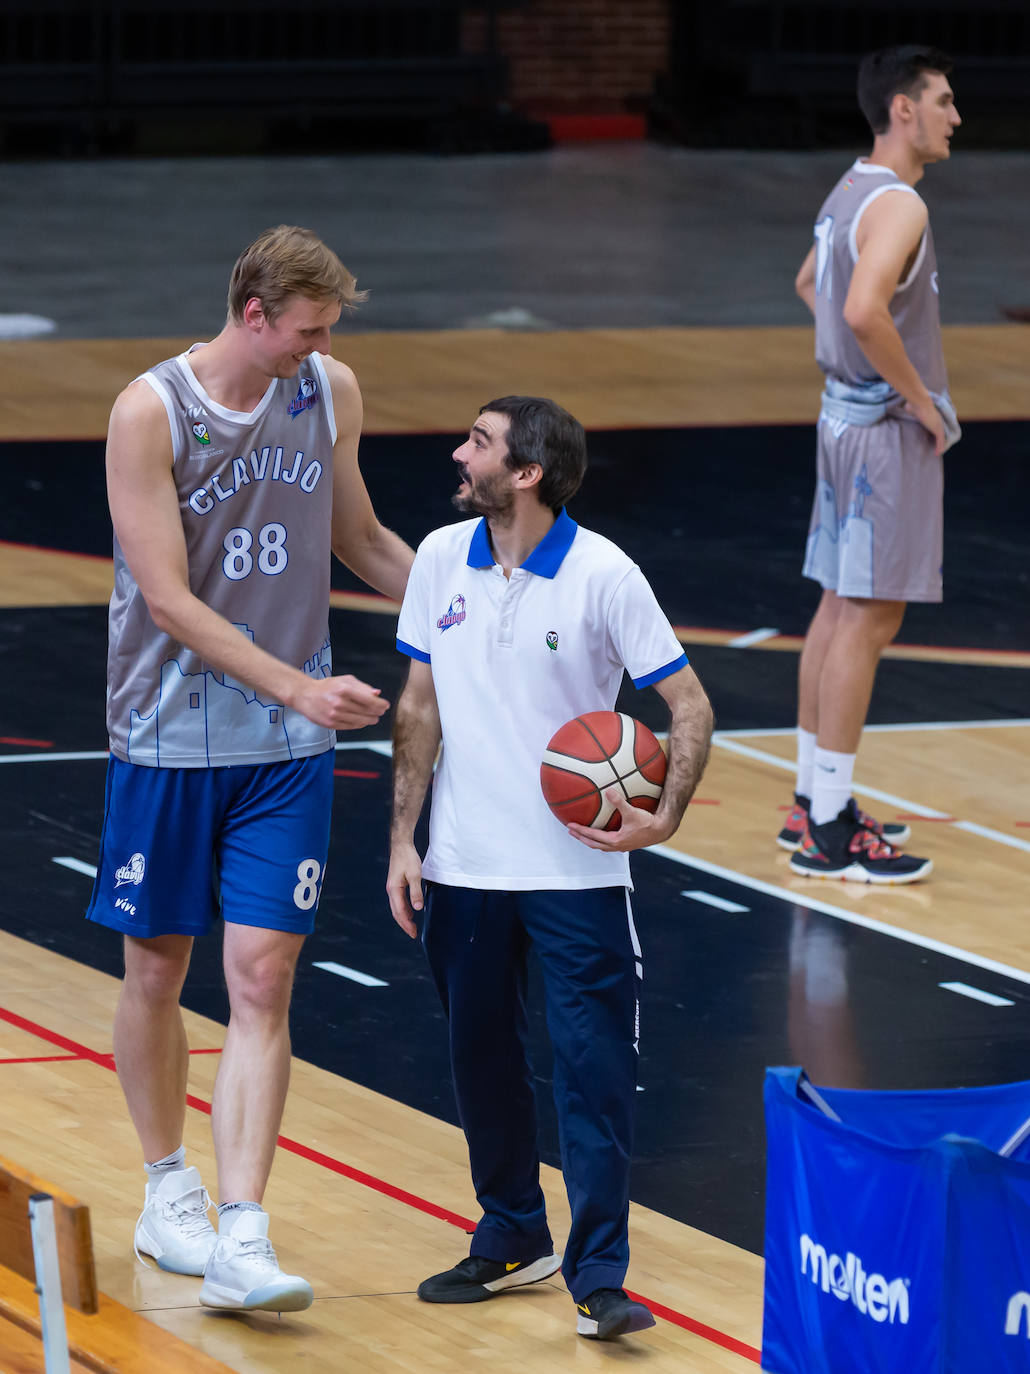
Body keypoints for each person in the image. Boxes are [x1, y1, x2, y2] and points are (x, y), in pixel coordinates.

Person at [86, 225, 413, 1312]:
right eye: (305, 330)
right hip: (170, 734)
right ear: (254, 312)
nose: (317, 349)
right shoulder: (150, 412)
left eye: (329, 332)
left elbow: (360, 539)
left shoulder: (327, 390)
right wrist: (295, 686)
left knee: (262, 977)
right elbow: (169, 601)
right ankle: (166, 1187)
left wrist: (476, 612)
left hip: (286, 748)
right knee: (156, 972)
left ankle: (244, 1230)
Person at [386, 396, 713, 1341]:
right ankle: (511, 1232)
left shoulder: (606, 574)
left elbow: (688, 707)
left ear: (526, 473)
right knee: (481, 1061)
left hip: (578, 881)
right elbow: (418, 708)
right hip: (462, 868)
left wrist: (666, 813)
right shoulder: (442, 558)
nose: (459, 452)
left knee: (592, 1074)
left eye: (479, 443)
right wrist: (405, 842)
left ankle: (598, 1274)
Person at [782, 45, 961, 884]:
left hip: (838, 421)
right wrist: (920, 397)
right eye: (944, 101)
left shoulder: (849, 187)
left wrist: (852, 366)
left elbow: (810, 280)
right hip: (882, 433)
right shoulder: (900, 207)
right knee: (870, 619)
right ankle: (830, 830)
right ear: (903, 109)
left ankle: (812, 801)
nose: (956, 118)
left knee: (837, 608)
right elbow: (857, 306)